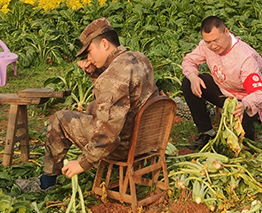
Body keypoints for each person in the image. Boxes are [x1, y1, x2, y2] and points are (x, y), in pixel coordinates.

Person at [16, 18, 158, 192]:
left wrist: (84, 162)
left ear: (104, 44)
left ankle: (47, 183)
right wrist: (96, 73)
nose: (89, 58)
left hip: (122, 145)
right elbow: (120, 96)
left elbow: (109, 130)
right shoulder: (138, 58)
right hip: (147, 140)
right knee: (91, 109)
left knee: (60, 119)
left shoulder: (113, 75)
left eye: (90, 51)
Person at [181, 16, 262, 150]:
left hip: (244, 98)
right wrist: (193, 77)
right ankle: (206, 132)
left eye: (216, 40)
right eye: (208, 42)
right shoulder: (206, 46)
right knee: (188, 82)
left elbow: (258, 92)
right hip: (223, 89)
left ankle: (249, 132)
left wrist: (245, 104)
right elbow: (189, 61)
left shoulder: (245, 58)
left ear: (227, 32)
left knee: (243, 141)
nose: (213, 46)